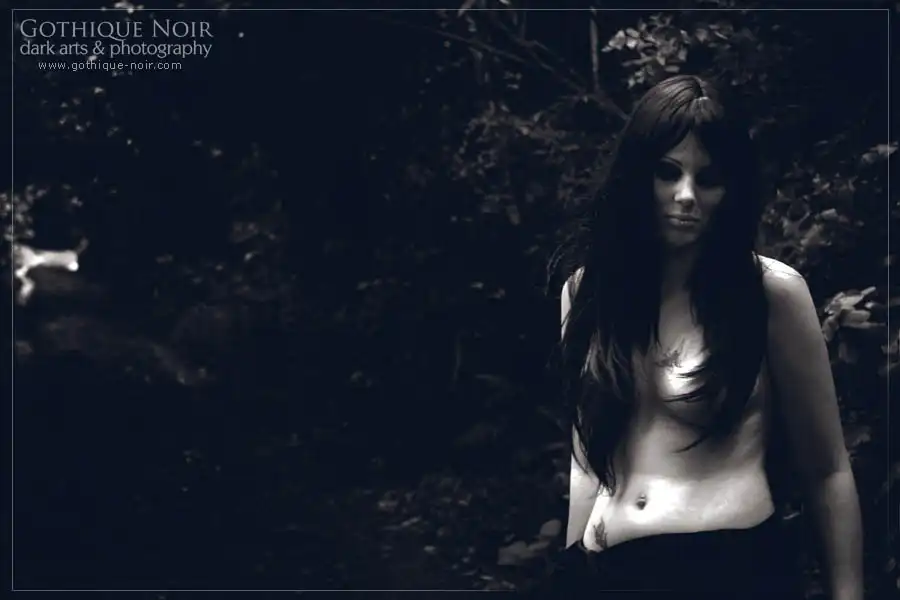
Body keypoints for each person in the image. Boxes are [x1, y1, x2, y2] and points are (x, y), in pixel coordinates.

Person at [545, 75, 863, 598]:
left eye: (709, 178)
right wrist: (572, 571)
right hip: (605, 572)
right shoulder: (586, 294)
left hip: (727, 570)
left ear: (731, 189)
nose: (686, 196)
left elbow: (827, 469)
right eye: (668, 172)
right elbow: (587, 462)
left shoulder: (769, 293)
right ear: (637, 174)